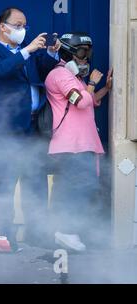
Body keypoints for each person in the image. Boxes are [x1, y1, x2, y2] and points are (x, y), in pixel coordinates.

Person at [0, 7, 61, 251]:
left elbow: (44, 71)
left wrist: (50, 52)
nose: (22, 29)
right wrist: (27, 51)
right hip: (9, 129)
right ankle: (4, 235)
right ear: (2, 27)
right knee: (5, 182)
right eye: (17, 24)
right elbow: (1, 71)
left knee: (35, 181)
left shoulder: (29, 53)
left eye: (24, 24)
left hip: (34, 126)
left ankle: (37, 233)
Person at [45, 32, 113, 251]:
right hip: (71, 144)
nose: (86, 58)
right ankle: (65, 232)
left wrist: (105, 88)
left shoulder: (75, 78)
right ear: (69, 53)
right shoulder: (60, 76)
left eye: (88, 52)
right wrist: (92, 82)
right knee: (75, 189)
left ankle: (67, 231)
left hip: (82, 144)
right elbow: (81, 102)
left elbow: (91, 100)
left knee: (80, 188)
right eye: (83, 52)